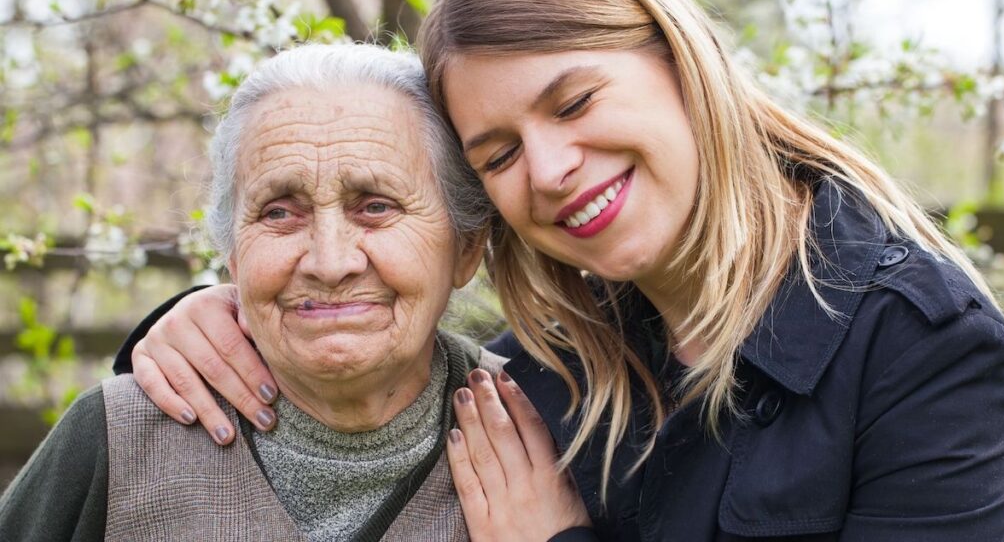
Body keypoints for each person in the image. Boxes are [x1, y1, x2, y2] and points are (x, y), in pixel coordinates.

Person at [109, 0, 1004, 540]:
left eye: (575, 102)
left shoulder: (922, 355)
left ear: (680, 60)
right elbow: (369, 361)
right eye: (497, 154)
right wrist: (202, 323)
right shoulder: (543, 373)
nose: (546, 170)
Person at [0, 43, 577, 542]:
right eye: (279, 212)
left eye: (376, 206)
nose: (329, 262)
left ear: (467, 246)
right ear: (231, 253)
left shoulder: (556, 434)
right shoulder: (116, 437)